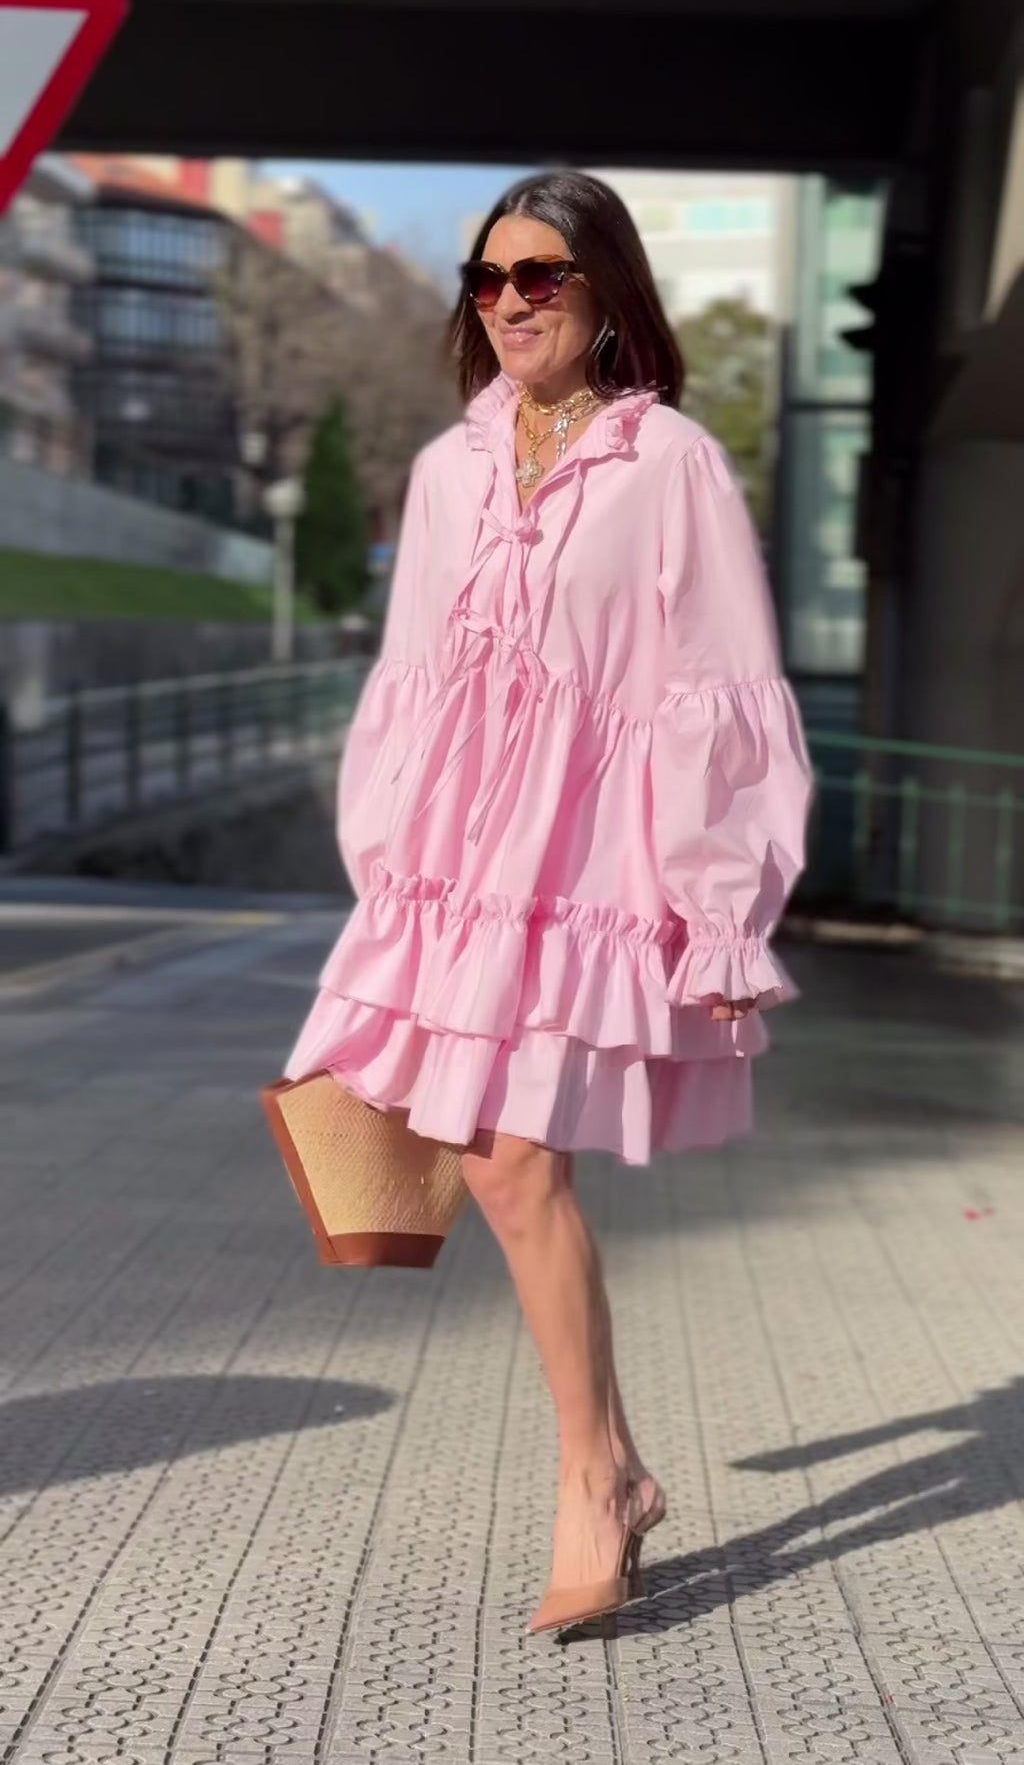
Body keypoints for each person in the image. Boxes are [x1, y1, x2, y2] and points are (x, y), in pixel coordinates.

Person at [283, 170, 815, 1637]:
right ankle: (617, 1469)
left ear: (606, 293)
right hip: (461, 869)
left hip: (590, 863)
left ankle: (593, 1481)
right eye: (488, 277)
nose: (509, 301)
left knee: (519, 1161)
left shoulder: (672, 465)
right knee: (494, 1161)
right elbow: (413, 686)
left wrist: (722, 907)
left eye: (542, 275)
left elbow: (718, 690)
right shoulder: (447, 470)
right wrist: (389, 877)